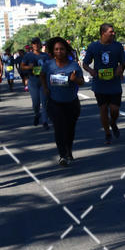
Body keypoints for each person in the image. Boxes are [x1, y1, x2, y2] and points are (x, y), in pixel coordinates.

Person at [41, 37, 84, 166]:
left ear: (66, 50)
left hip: (71, 102)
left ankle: (69, 150)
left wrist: (75, 79)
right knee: (59, 128)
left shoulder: (73, 65)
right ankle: (62, 155)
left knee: (70, 129)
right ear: (53, 51)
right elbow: (42, 75)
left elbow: (81, 82)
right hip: (55, 102)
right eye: (56, 49)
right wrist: (45, 88)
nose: (59, 51)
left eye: (62, 49)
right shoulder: (49, 65)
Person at [82, 23, 125, 145]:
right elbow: (85, 63)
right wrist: (91, 71)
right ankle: (107, 133)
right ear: (103, 33)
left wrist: (120, 68)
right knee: (103, 109)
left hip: (114, 83)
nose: (113, 33)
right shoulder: (93, 47)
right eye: (111, 32)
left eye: (113, 31)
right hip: (99, 84)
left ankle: (113, 122)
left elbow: (123, 62)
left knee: (114, 109)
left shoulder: (117, 46)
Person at [21, 38, 49, 128]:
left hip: (44, 81)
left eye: (37, 43)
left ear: (41, 45)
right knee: (36, 102)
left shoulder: (46, 56)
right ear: (32, 45)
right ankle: (37, 114)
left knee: (44, 102)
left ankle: (45, 121)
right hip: (33, 81)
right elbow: (22, 67)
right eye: (34, 43)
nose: (36, 45)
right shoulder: (28, 56)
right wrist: (29, 67)